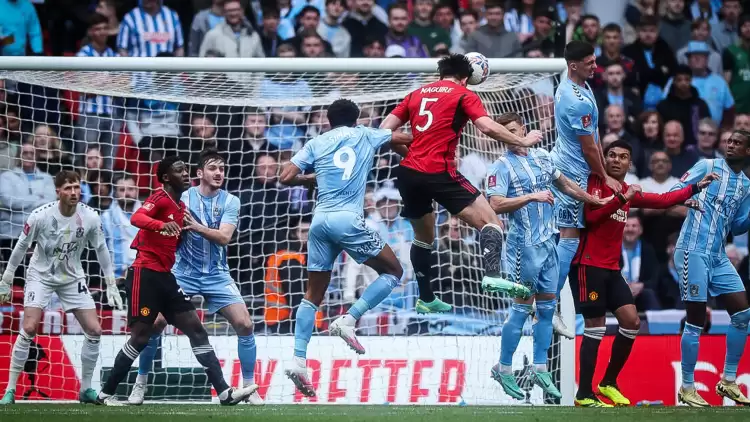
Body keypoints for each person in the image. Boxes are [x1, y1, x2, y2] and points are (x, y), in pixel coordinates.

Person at [379, 53, 543, 314]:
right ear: (466, 78)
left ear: (440, 74)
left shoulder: (416, 94)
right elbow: (487, 127)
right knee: (493, 223)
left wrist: (414, 146)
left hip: (408, 173)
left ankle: (426, 298)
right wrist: (522, 141)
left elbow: (383, 133)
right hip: (439, 173)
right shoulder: (463, 94)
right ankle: (491, 275)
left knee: (423, 237)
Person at [95, 156, 255, 406]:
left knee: (197, 330)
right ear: (167, 178)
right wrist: (162, 225)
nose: (185, 174)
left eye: (186, 170)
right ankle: (109, 393)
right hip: (146, 274)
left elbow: (203, 238)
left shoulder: (182, 208)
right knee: (142, 335)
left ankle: (224, 392)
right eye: (180, 171)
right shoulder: (160, 197)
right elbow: (137, 219)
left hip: (168, 277)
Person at [278, 99, 412, 397]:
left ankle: (299, 360)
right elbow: (404, 139)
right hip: (347, 219)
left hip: (319, 221)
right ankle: (349, 319)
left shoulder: (316, 142)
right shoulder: (365, 133)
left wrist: (311, 179)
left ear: (328, 120)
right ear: (355, 119)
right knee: (393, 271)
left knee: (312, 295)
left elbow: (285, 176)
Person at [569, 140, 715, 407]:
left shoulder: (627, 190)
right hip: (588, 265)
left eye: (622, 157)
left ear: (629, 163)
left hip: (612, 269)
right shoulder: (594, 183)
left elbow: (662, 200)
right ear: (604, 159)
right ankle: (584, 394)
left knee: (631, 322)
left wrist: (693, 188)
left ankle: (608, 382)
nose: (615, 160)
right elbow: (591, 218)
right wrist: (622, 199)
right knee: (596, 328)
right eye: (611, 155)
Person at [485, 112, 607, 401]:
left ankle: (540, 367)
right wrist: (531, 196)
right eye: (506, 134)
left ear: (523, 129)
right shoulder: (500, 167)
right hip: (522, 246)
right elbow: (495, 204)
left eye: (515, 131)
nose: (512, 138)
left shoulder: (542, 157)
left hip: (548, 244)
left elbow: (563, 183)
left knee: (548, 308)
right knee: (521, 307)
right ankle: (503, 367)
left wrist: (590, 199)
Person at [0, 171, 123, 405]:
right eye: (68, 188)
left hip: (72, 278)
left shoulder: (90, 217)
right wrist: (6, 279)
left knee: (95, 330)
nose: (74, 192)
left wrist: (110, 283)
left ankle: (86, 389)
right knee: (29, 327)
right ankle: (11, 389)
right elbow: (20, 247)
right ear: (58, 192)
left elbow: (102, 250)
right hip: (40, 276)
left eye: (76, 187)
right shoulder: (40, 216)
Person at [550, 40, 621, 340]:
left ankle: (547, 298)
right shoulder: (574, 98)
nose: (596, 66)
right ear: (574, 64)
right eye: (590, 62)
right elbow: (589, 147)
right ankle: (549, 301)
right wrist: (605, 176)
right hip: (571, 174)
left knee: (568, 235)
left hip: (575, 169)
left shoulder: (580, 87)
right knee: (568, 236)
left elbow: (594, 136)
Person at [674, 130, 750, 407]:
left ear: (748, 151)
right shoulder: (707, 166)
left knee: (743, 314)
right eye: (729, 141)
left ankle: (728, 381)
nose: (731, 145)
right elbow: (674, 189)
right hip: (691, 250)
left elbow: (738, 226)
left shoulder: (746, 185)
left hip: (717, 255)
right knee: (695, 320)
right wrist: (685, 198)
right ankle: (687, 386)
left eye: (737, 143)